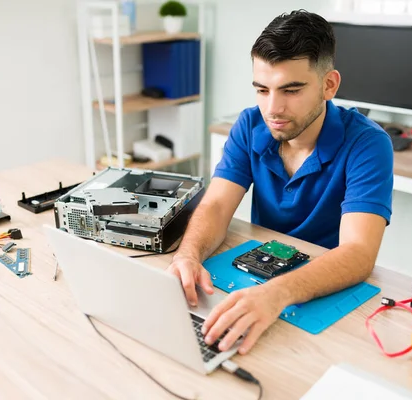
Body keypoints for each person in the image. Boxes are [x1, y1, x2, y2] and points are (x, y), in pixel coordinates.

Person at [166, 10, 394, 356]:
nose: (273, 108)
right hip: (256, 275)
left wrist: (276, 294)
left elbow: (359, 254)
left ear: (328, 85)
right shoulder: (249, 124)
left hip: (320, 292)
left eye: (291, 90)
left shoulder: (368, 143)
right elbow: (214, 205)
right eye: (262, 89)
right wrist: (188, 255)